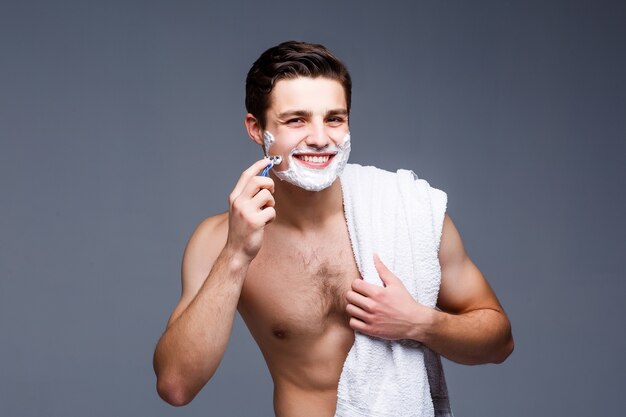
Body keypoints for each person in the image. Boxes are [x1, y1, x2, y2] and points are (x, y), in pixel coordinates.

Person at [153, 40, 514, 416]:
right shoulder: (218, 240)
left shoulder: (406, 212)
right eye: (297, 120)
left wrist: (418, 322)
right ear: (257, 128)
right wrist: (236, 254)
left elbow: (499, 342)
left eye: (334, 118)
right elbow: (176, 384)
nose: (321, 138)